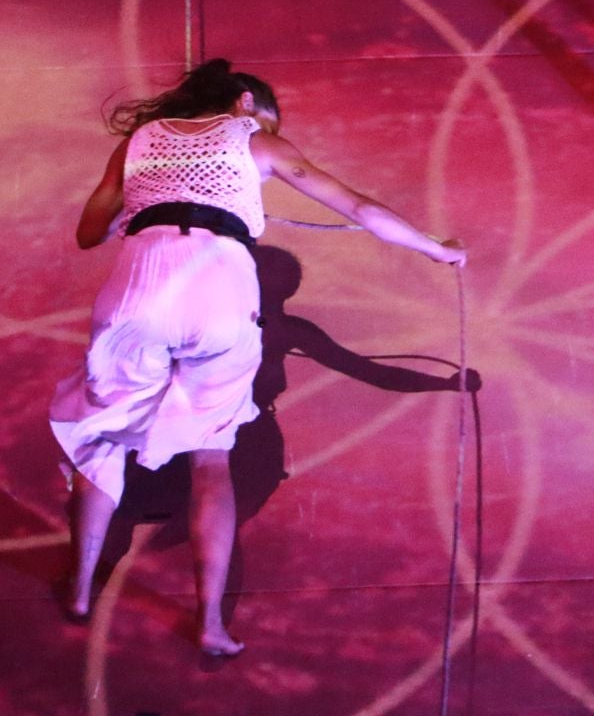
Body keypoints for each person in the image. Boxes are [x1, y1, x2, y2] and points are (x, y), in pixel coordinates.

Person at [47, 59, 465, 656]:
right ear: (246, 103)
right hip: (218, 291)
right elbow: (360, 208)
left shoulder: (138, 142)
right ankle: (211, 626)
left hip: (137, 289)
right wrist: (438, 250)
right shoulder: (254, 140)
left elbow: (90, 232)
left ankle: (80, 591)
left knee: (105, 444)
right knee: (211, 461)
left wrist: (148, 201)